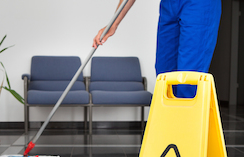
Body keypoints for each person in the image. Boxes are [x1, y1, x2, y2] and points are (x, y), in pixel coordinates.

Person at [93, 0, 221, 98]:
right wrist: (113, 24)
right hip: (169, 5)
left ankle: (187, 130)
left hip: (199, 4)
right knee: (164, 75)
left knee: (188, 78)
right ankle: (169, 129)